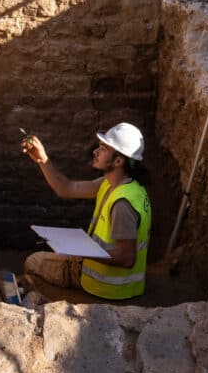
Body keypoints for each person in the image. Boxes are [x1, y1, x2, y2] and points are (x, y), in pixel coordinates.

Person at [21, 123, 152, 300]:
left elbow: (127, 258)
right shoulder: (115, 185)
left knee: (32, 262)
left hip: (104, 286)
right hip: (108, 279)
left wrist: (82, 251)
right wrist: (42, 159)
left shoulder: (122, 204)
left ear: (118, 160)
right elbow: (66, 188)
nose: (95, 152)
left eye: (103, 149)